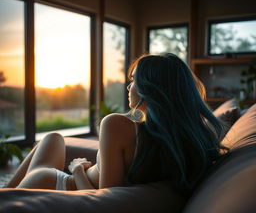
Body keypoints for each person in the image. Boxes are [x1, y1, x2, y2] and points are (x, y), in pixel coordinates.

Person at [6, 53, 227, 194]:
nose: (128, 88)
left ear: (151, 88)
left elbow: (101, 199)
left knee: (49, 143)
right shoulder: (184, 140)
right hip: (59, 180)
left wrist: (78, 170)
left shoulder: (116, 125)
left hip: (55, 183)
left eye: (134, 81)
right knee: (53, 137)